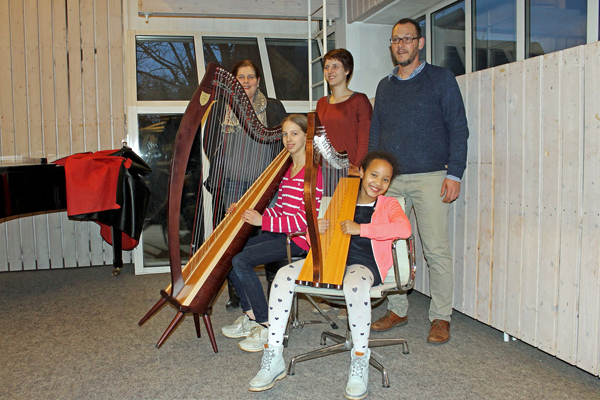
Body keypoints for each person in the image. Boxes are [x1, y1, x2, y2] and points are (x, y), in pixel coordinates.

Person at [248, 151, 411, 400]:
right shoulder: (343, 198)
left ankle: (360, 359)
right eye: (374, 174)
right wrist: (321, 227)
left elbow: (404, 228)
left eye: (385, 179)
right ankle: (274, 354)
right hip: (332, 261)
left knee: (355, 284)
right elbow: (325, 236)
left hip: (365, 266)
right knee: (283, 275)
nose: (378, 182)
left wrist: (362, 228)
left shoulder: (389, 204)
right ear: (361, 172)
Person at [368, 18, 469, 344]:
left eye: (408, 39)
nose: (401, 45)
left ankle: (441, 317)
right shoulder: (384, 86)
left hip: (431, 177)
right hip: (391, 181)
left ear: (420, 43)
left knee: (436, 249)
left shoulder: (441, 78)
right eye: (396, 40)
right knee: (388, 245)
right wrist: (372, 176)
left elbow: (458, 128)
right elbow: (376, 135)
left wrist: (454, 172)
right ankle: (398, 309)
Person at [221, 114, 323, 352]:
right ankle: (251, 316)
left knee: (241, 260)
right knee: (229, 253)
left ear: (307, 137)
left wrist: (263, 220)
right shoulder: (288, 169)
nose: (288, 139)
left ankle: (266, 324)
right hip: (281, 234)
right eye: (285, 134)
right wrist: (248, 211)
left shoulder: (312, 174)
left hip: (299, 241)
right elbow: (280, 209)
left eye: (294, 133)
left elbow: (305, 221)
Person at [203, 60, 287, 311]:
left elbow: (286, 140)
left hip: (265, 188)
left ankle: (276, 291)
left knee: (271, 241)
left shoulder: (273, 107)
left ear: (259, 81)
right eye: (241, 77)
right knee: (232, 243)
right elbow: (209, 144)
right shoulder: (220, 108)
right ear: (234, 82)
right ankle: (237, 294)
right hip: (231, 185)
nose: (247, 81)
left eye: (251, 77)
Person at [316, 48, 372, 167]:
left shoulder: (359, 100)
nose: (330, 71)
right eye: (327, 67)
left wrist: (356, 169)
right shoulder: (321, 103)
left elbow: (365, 141)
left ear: (347, 70)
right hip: (325, 171)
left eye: (335, 66)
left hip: (351, 170)